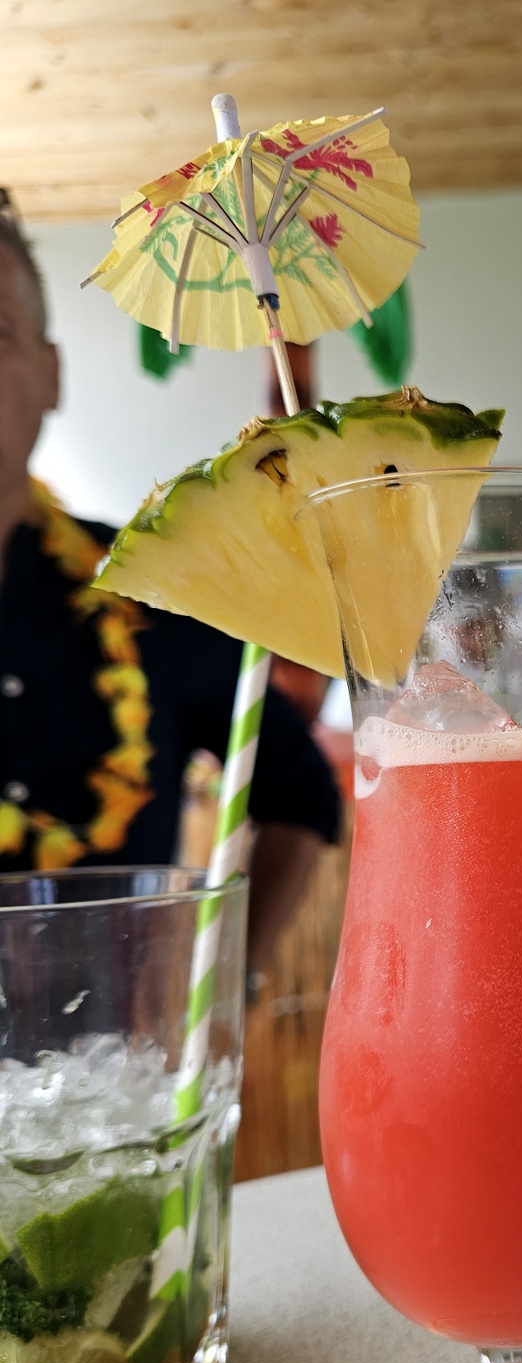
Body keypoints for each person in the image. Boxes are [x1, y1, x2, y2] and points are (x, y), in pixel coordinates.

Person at [0, 192, 340, 978]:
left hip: (117, 1053)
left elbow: (301, 794)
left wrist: (229, 987)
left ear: (51, 375)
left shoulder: (152, 583)